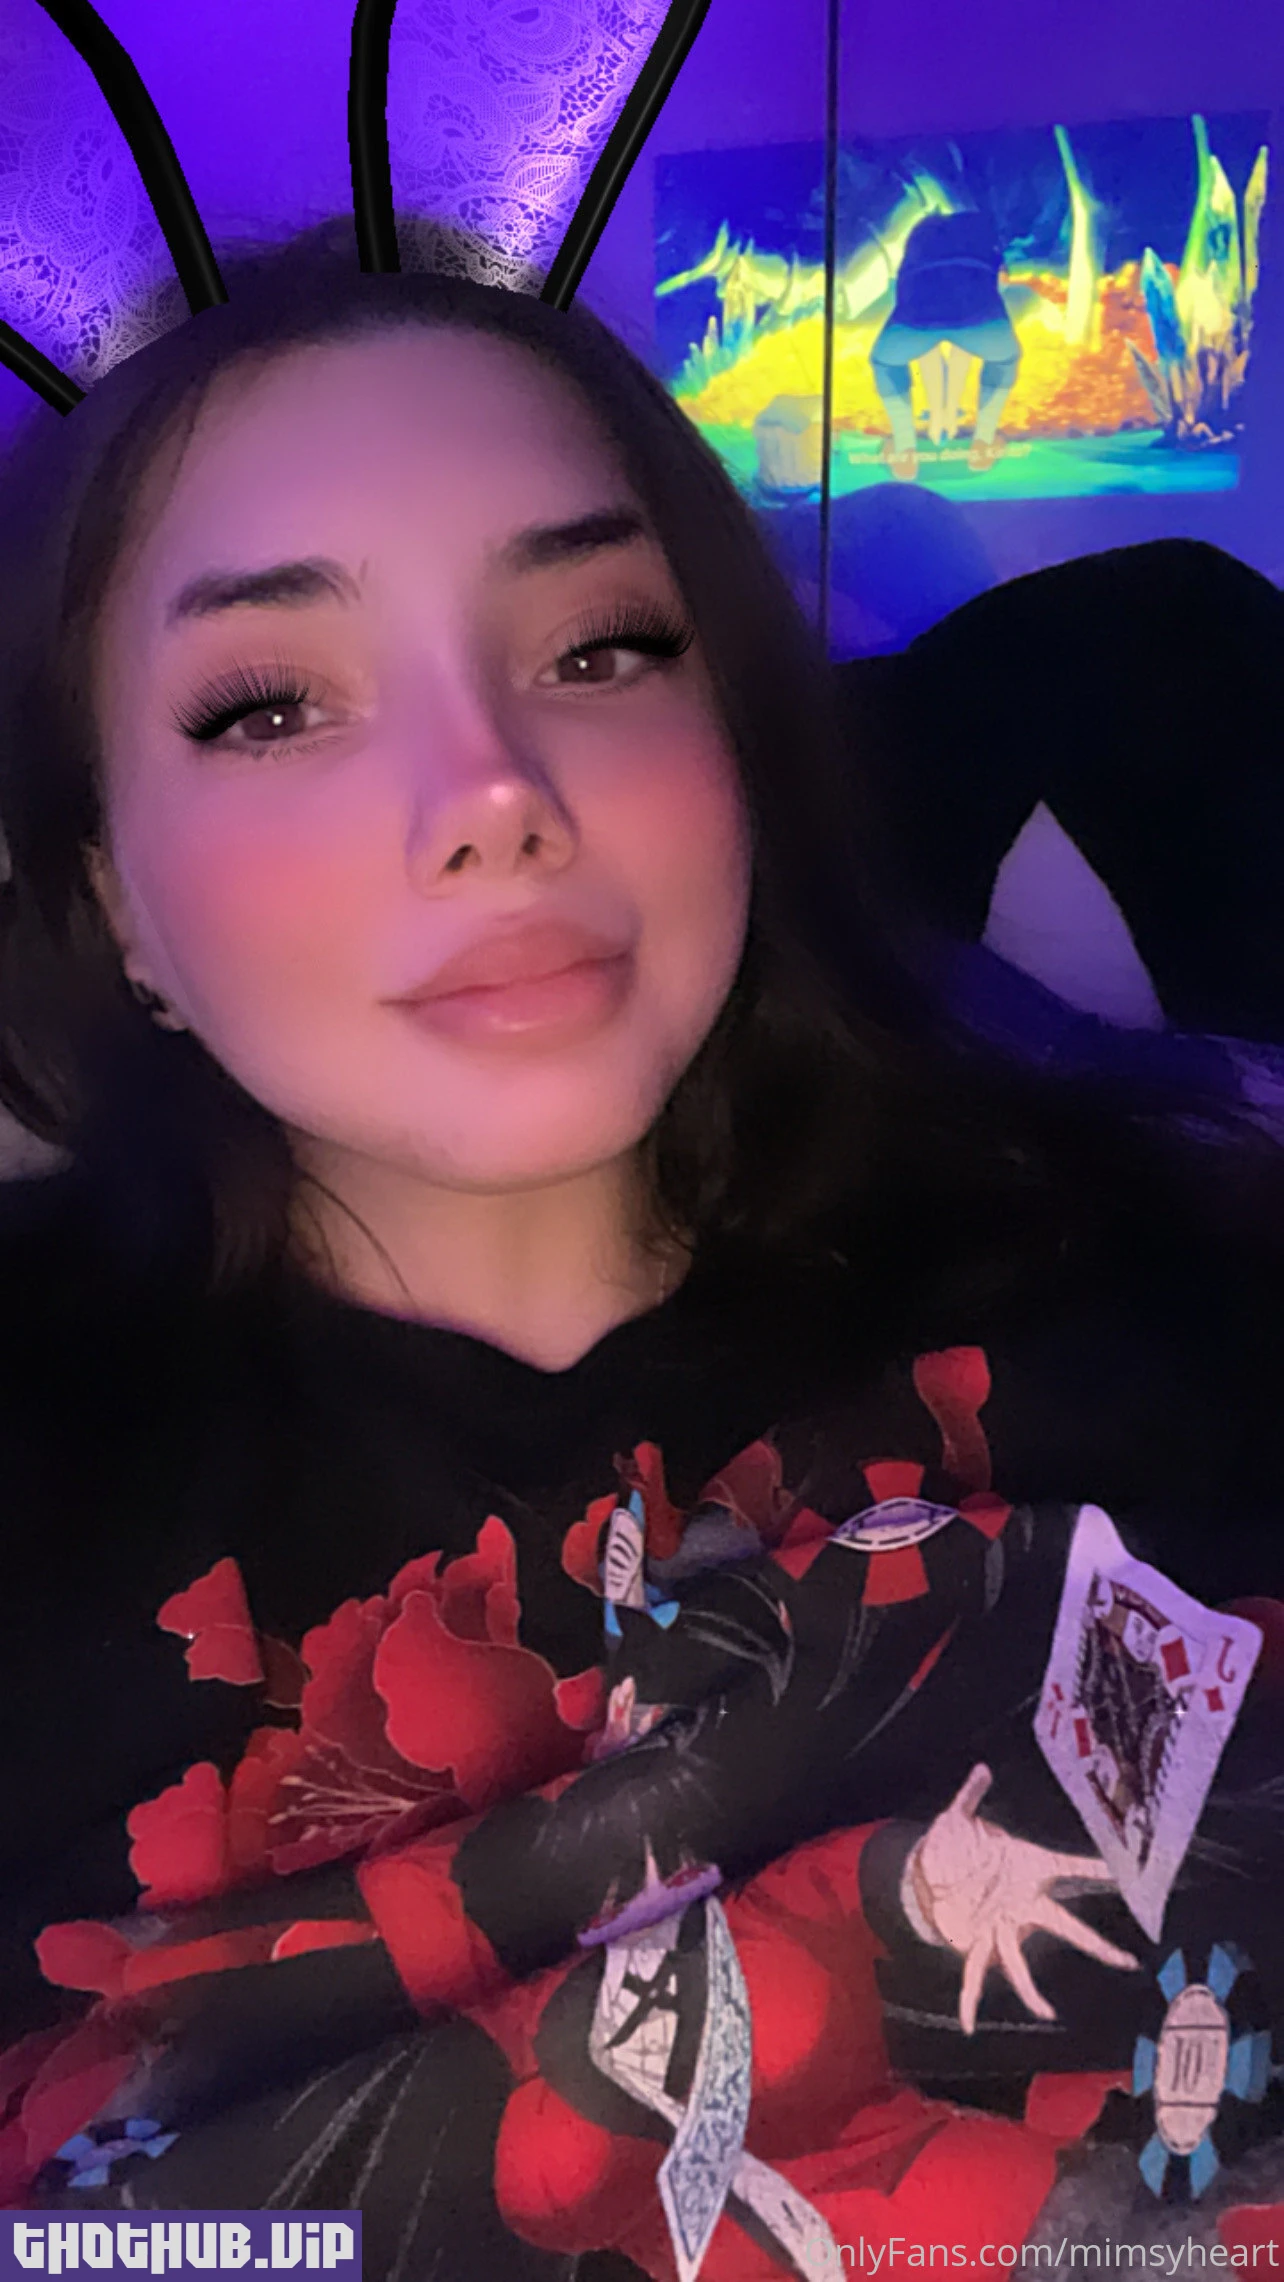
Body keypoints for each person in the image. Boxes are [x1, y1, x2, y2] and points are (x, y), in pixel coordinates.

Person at [0, 223, 1279, 2281]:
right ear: (113, 903)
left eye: (600, 649)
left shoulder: (1188, 1319)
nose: (496, 794)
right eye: (270, 703)